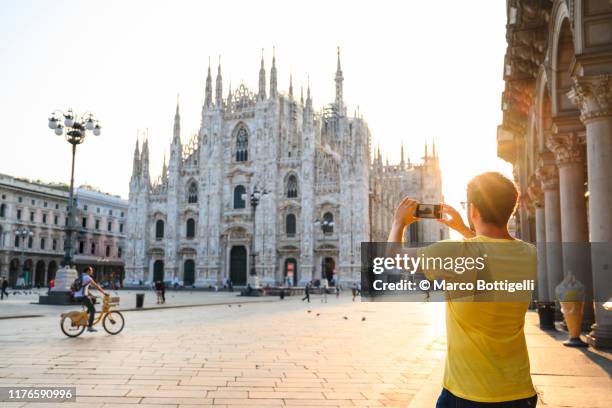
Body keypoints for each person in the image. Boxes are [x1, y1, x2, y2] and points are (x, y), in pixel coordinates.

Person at [388, 172, 537, 407]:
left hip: (467, 393)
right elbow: (487, 253)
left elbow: (394, 257)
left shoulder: (455, 253)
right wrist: (464, 229)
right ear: (512, 208)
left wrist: (399, 222)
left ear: (473, 210)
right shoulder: (529, 253)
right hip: (518, 392)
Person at [73, 266, 107, 332]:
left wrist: (92, 296)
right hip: (82, 296)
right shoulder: (87, 277)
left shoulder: (81, 276)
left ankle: (86, 315)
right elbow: (96, 285)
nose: (92, 272)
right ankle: (90, 327)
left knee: (93, 300)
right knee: (93, 310)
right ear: (88, 271)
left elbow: (85, 289)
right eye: (91, 270)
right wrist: (104, 292)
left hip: (78, 295)